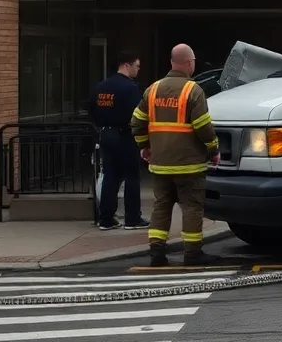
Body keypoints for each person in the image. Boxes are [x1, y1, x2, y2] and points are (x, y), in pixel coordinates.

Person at [130, 44, 221, 267]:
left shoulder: (152, 90)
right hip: (189, 165)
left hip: (160, 165)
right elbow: (202, 126)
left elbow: (136, 122)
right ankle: (192, 253)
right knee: (192, 207)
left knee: (161, 207)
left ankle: (157, 254)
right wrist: (213, 149)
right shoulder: (193, 90)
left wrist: (146, 146)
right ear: (189, 63)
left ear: (171, 63)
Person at [89, 50, 151, 230]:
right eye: (136, 66)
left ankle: (106, 219)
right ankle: (133, 219)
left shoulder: (101, 86)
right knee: (132, 176)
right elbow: (139, 115)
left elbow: (91, 110)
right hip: (125, 135)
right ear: (127, 65)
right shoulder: (130, 88)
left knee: (110, 177)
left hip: (105, 135)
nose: (138, 70)